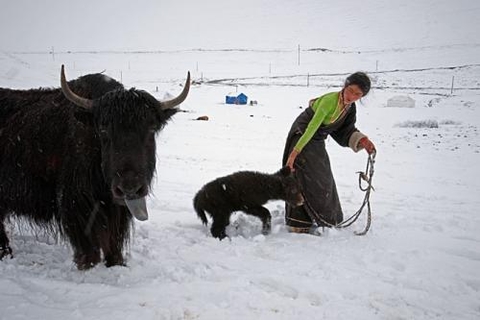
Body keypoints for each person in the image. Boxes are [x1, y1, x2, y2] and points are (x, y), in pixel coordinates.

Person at [282, 72, 376, 234]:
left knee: (321, 177)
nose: (352, 96)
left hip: (316, 139)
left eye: (358, 94)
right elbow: (311, 128)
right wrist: (292, 156)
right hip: (302, 135)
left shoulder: (349, 108)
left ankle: (324, 219)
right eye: (350, 90)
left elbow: (345, 131)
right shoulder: (328, 102)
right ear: (344, 86)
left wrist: (362, 141)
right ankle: (299, 223)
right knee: (309, 175)